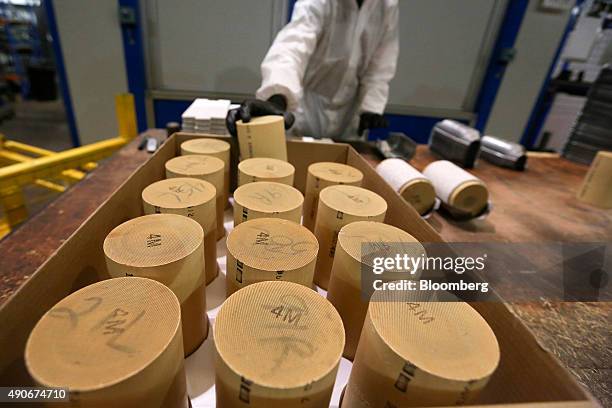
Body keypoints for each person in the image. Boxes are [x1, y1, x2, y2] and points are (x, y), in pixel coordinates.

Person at [226, 0, 399, 140]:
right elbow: (293, 47)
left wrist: (371, 106)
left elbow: (380, 65)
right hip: (307, 111)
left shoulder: (387, 5)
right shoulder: (319, 2)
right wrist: (278, 98)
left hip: (349, 117)